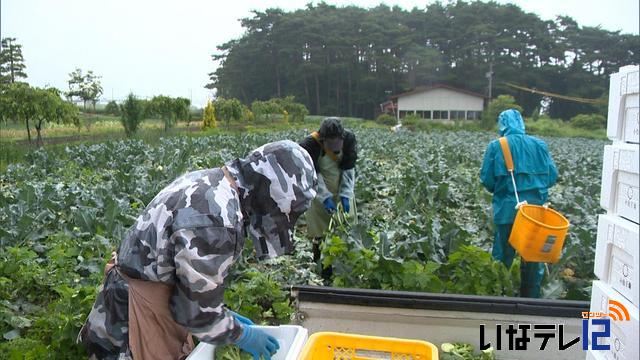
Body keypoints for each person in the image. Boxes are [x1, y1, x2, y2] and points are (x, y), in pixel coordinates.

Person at [78, 140, 317, 360]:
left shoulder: (215, 182)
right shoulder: (217, 219)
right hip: (135, 313)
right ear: (272, 193)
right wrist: (242, 334)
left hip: (136, 293)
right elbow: (195, 313)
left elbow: (184, 274)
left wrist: (223, 315)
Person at [480, 109, 558, 298]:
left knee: (502, 257)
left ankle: (499, 297)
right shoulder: (539, 145)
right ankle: (530, 302)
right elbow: (552, 177)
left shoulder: (497, 146)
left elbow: (487, 180)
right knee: (533, 258)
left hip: (508, 210)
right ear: (522, 123)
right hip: (535, 214)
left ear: (502, 125)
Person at [299, 117, 357, 280]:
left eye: (337, 142)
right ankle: (322, 269)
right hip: (318, 195)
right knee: (320, 234)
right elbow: (312, 175)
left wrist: (345, 195)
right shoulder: (309, 145)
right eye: (330, 143)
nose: (335, 147)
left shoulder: (349, 139)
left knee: (346, 230)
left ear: (342, 138)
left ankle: (344, 270)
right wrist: (324, 197)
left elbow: (349, 170)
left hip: (341, 191)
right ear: (323, 139)